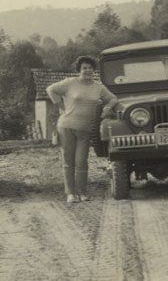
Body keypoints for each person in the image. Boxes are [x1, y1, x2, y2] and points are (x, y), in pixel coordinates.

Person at [46, 55, 117, 203]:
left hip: (86, 130)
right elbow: (50, 89)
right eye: (84, 68)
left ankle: (82, 192)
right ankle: (70, 194)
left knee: (81, 162)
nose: (87, 70)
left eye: (90, 68)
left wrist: (106, 109)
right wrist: (60, 107)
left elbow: (113, 99)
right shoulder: (70, 82)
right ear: (79, 70)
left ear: (94, 70)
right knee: (68, 161)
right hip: (66, 127)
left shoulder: (98, 87)